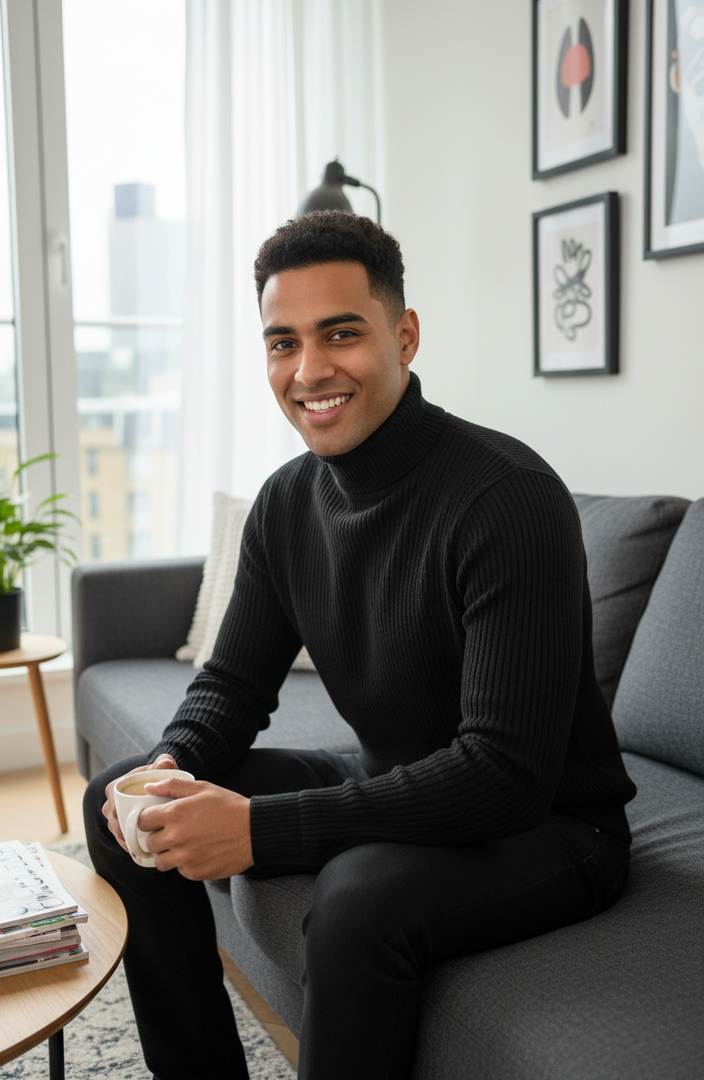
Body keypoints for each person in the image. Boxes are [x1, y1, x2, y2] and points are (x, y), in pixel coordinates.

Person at [85, 211, 636, 1080]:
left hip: (555, 824)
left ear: (404, 335)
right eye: (282, 343)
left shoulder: (508, 499)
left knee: (357, 902)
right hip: (393, 776)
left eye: (340, 333)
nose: (309, 371)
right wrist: (173, 767)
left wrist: (259, 830)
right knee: (123, 803)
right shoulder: (286, 504)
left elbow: (503, 776)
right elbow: (230, 688)